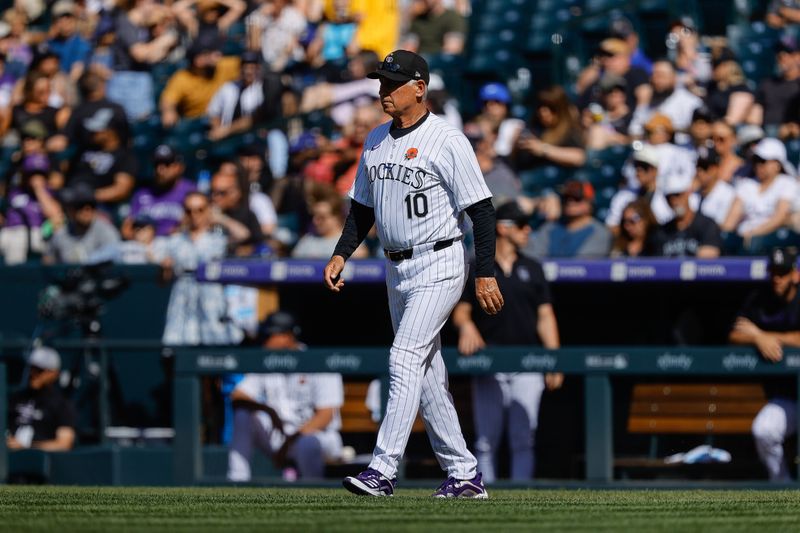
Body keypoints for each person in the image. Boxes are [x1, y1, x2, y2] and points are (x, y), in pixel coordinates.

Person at [324, 50, 502, 498]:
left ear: (418, 88)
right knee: (424, 373)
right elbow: (361, 207)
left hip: (440, 259)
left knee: (403, 356)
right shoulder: (376, 139)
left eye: (391, 83)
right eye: (381, 83)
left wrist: (485, 273)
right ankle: (464, 474)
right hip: (395, 265)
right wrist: (342, 252)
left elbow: (480, 209)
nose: (383, 91)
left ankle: (382, 470)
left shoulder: (447, 138)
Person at [451, 201, 562, 483]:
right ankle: (482, 491)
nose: (528, 231)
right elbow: (461, 311)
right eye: (522, 226)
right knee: (486, 439)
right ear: (503, 228)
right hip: (490, 363)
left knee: (523, 437)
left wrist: (554, 360)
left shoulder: (533, 267)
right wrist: (466, 326)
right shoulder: (478, 266)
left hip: (528, 362)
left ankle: (521, 493)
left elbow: (545, 316)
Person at [227, 311, 344, 481]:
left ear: (287, 336)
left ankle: (315, 490)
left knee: (307, 443)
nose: (264, 341)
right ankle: (237, 480)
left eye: (269, 335)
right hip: (280, 435)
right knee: (242, 416)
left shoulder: (317, 360)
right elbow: (238, 396)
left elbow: (325, 416)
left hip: (319, 436)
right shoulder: (267, 360)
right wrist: (268, 411)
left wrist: (289, 443)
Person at [729, 247, 800, 481]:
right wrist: (758, 338)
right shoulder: (760, 298)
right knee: (764, 429)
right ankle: (782, 485)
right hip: (788, 397)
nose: (777, 278)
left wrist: (766, 335)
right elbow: (736, 334)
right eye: (774, 272)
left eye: (783, 272)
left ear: (795, 275)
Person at [155, 191, 245, 345]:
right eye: (189, 210)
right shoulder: (174, 240)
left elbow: (243, 234)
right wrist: (165, 268)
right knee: (179, 346)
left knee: (216, 344)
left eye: (200, 210)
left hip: (211, 295)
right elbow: (161, 276)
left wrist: (219, 218)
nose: (194, 215)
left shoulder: (218, 239)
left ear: (208, 210)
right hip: (182, 297)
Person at [159, 35, 240, 127]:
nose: (216, 54)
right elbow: (168, 101)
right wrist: (168, 112)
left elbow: (247, 65)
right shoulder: (182, 77)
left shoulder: (222, 65)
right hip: (197, 123)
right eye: (208, 53)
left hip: (225, 118)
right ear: (198, 60)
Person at [723, 138, 796, 238]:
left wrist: (753, 235)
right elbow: (731, 219)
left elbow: (780, 217)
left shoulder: (787, 183)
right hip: (743, 240)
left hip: (772, 240)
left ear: (777, 164)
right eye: (756, 160)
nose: (758, 165)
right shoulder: (746, 184)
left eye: (763, 161)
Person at [7, 346, 76, 452]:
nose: (33, 374)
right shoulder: (15, 398)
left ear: (54, 373)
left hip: (40, 464)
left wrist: (26, 447)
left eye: (39, 370)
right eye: (31, 368)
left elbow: (64, 444)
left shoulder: (61, 404)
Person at [0, 154, 62, 264]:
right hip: (8, 231)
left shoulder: (49, 193)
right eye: (31, 174)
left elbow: (56, 216)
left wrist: (39, 189)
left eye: (39, 174)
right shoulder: (15, 192)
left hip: (37, 234)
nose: (35, 177)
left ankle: (15, 277)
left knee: (18, 240)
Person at [649, 168, 723, 258]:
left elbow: (708, 262)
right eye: (669, 197)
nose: (673, 201)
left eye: (677, 195)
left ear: (688, 193)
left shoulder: (707, 225)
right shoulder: (662, 232)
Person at [125, 144, 196, 238]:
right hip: (146, 244)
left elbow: (198, 221)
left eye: (167, 164)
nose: (160, 170)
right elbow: (127, 229)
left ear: (179, 167)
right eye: (156, 164)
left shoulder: (190, 191)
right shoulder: (142, 193)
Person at [528, 180, 611, 259]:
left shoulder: (599, 232)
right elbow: (534, 256)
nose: (570, 202)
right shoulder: (550, 227)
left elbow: (582, 266)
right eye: (566, 198)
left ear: (589, 203)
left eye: (577, 198)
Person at [45, 183, 121, 264]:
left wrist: (89, 261)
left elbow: (115, 255)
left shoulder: (106, 230)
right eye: (80, 206)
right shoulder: (61, 233)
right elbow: (48, 261)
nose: (87, 210)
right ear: (71, 209)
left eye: (91, 205)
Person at [292, 192, 368, 258]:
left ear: (337, 217)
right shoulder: (306, 241)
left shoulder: (353, 243)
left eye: (322, 217)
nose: (315, 221)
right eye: (313, 216)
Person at [693, 146, 736, 227]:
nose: (699, 172)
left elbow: (720, 227)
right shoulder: (693, 194)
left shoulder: (728, 194)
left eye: (704, 167)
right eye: (697, 167)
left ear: (716, 169)